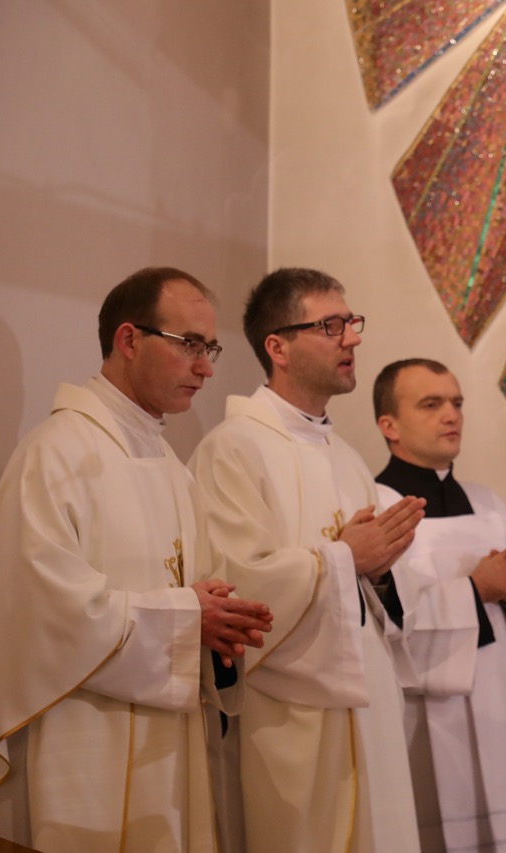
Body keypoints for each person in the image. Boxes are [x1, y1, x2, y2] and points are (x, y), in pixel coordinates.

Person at [0, 267, 274, 853]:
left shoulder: (173, 469)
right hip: (79, 747)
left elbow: (199, 594)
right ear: (128, 340)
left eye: (210, 348)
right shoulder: (55, 456)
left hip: (167, 756)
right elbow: (44, 617)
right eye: (190, 344)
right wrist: (187, 617)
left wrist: (218, 627)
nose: (206, 367)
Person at [188, 267, 425, 853]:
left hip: (368, 711)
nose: (352, 338)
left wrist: (378, 569)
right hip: (289, 722)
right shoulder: (231, 450)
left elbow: (370, 595)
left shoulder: (346, 456)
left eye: (351, 323)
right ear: (279, 347)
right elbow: (238, 588)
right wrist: (343, 558)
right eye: (331, 326)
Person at [373, 359, 506, 853]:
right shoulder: (376, 512)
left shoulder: (492, 506)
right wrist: (476, 589)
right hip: (431, 723)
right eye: (430, 404)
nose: (451, 415)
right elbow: (384, 622)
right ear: (389, 425)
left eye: (456, 403)